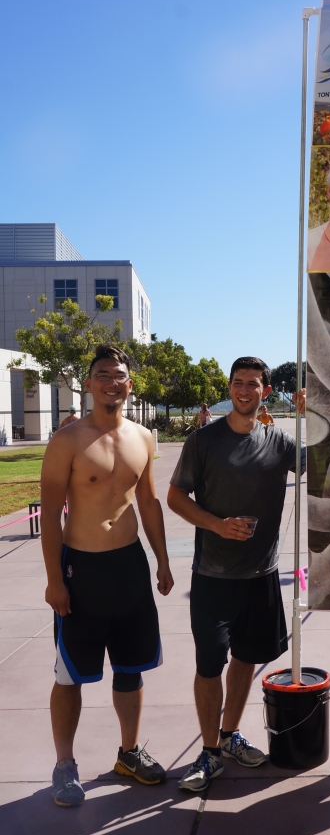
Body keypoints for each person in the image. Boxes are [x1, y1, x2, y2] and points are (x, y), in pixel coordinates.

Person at [40, 344, 174, 808]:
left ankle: (129, 753)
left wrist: (161, 559)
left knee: (132, 667)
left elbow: (149, 503)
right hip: (82, 569)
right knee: (69, 675)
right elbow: (52, 515)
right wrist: (55, 579)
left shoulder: (143, 437)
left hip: (129, 567)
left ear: (128, 383)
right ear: (90, 383)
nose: (111, 382)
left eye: (118, 375)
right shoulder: (68, 441)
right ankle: (64, 765)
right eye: (102, 375)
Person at [167, 357, 305, 792]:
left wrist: (312, 416)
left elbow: (327, 468)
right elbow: (175, 496)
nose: (245, 390)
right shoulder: (204, 440)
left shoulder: (280, 442)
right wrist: (216, 524)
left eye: (254, 384)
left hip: (261, 575)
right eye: (238, 383)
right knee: (210, 666)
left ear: (267, 391)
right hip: (212, 575)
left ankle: (229, 737)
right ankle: (209, 753)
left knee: (246, 658)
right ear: (229, 388)